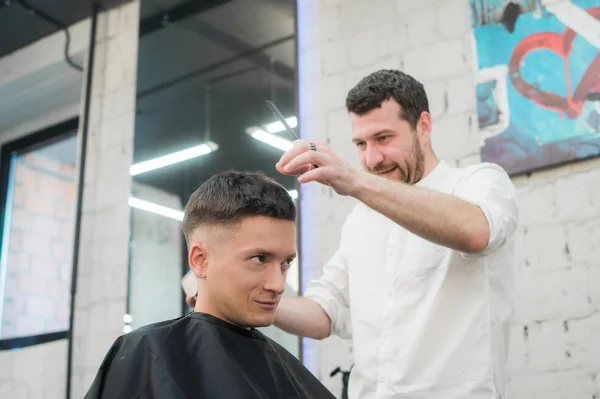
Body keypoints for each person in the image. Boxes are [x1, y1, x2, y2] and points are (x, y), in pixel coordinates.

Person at [273, 70, 519, 398]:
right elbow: (323, 312)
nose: (372, 159)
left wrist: (354, 180)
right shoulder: (361, 220)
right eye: (361, 144)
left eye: (384, 138)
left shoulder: (479, 183)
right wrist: (249, 300)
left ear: (424, 126)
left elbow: (475, 231)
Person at [84, 170, 336, 399]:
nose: (278, 285)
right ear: (200, 260)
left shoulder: (290, 374)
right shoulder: (147, 355)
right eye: (259, 259)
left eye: (286, 262)